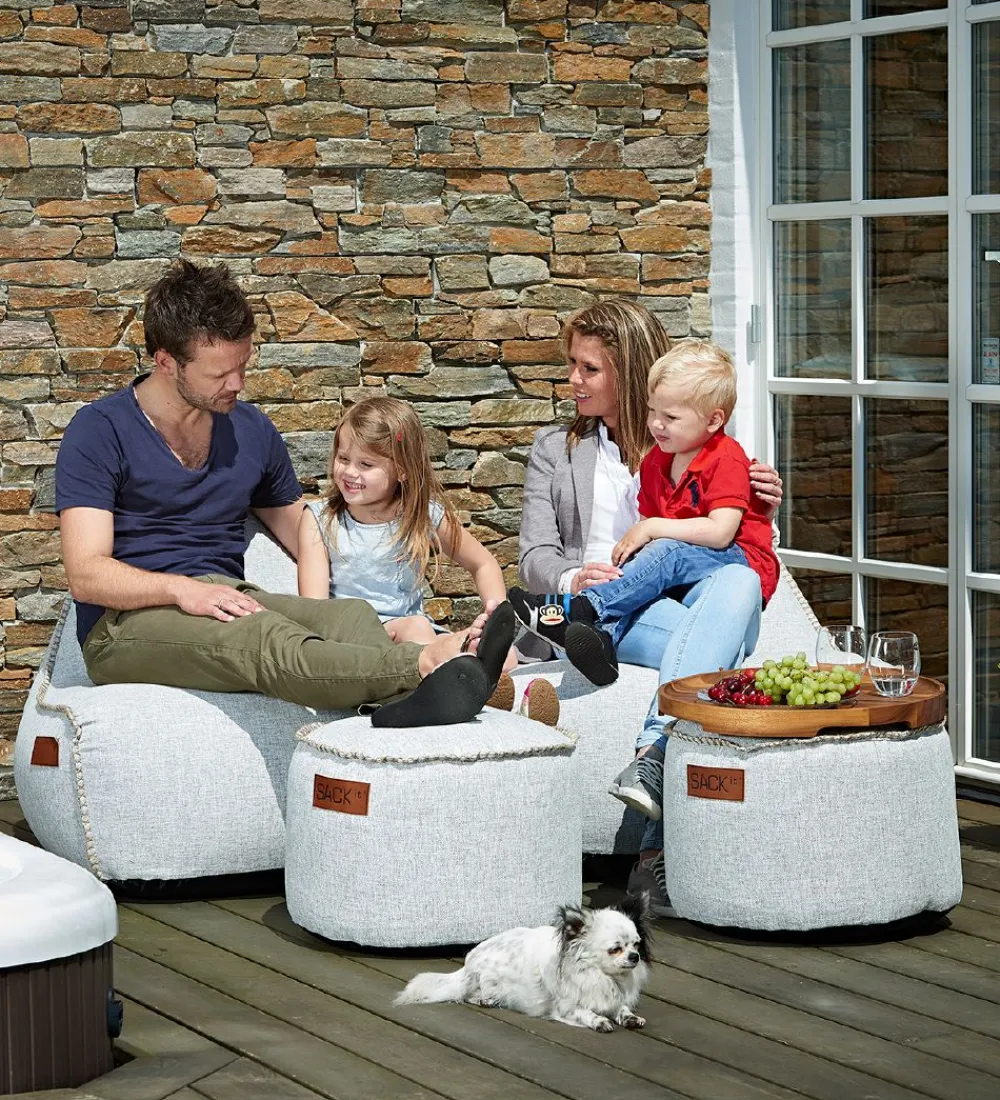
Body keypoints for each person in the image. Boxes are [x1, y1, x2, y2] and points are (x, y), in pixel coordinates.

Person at [54, 259, 514, 729]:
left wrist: (395, 523)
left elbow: (311, 531)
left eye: (242, 365)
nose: (237, 383)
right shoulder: (100, 431)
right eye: (220, 374)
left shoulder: (250, 430)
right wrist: (182, 589)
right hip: (126, 622)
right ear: (166, 361)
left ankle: (431, 694)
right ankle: (427, 664)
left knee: (349, 618)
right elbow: (86, 575)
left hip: (227, 595)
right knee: (262, 637)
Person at [516, 301, 782, 913]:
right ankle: (653, 847)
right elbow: (533, 556)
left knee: (737, 585)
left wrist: (763, 506)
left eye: (589, 369)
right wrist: (575, 575)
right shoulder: (556, 448)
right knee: (718, 659)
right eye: (572, 365)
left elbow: (729, 540)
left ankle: (650, 761)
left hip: (673, 603)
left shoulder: (693, 443)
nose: (572, 380)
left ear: (630, 371)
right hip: (622, 605)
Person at [510, 339, 779, 687]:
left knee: (670, 556)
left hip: (722, 574)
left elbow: (722, 534)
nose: (657, 424)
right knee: (661, 599)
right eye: (653, 412)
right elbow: (536, 553)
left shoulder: (717, 452)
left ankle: (584, 612)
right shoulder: (647, 461)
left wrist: (652, 527)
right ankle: (595, 638)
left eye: (589, 368)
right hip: (667, 588)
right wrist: (584, 576)